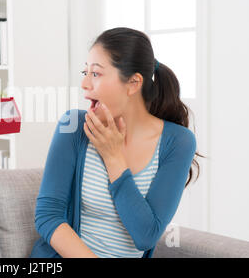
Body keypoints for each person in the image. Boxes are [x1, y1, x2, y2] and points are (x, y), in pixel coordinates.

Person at [30, 27, 202, 258]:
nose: (84, 84)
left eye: (96, 74)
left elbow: (145, 236)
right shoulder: (72, 127)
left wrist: (114, 159)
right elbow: (48, 215)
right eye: (85, 72)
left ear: (133, 83)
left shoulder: (177, 142)